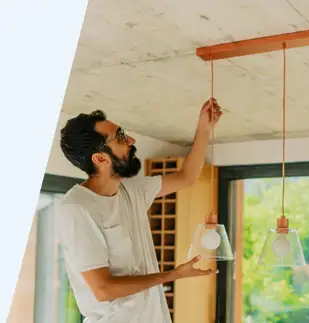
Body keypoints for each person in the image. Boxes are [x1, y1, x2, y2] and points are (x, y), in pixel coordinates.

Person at [55, 98, 222, 323]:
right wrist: (173, 275)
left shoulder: (131, 191)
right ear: (100, 158)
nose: (131, 140)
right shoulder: (76, 208)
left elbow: (187, 177)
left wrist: (204, 128)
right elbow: (103, 289)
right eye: (121, 138)